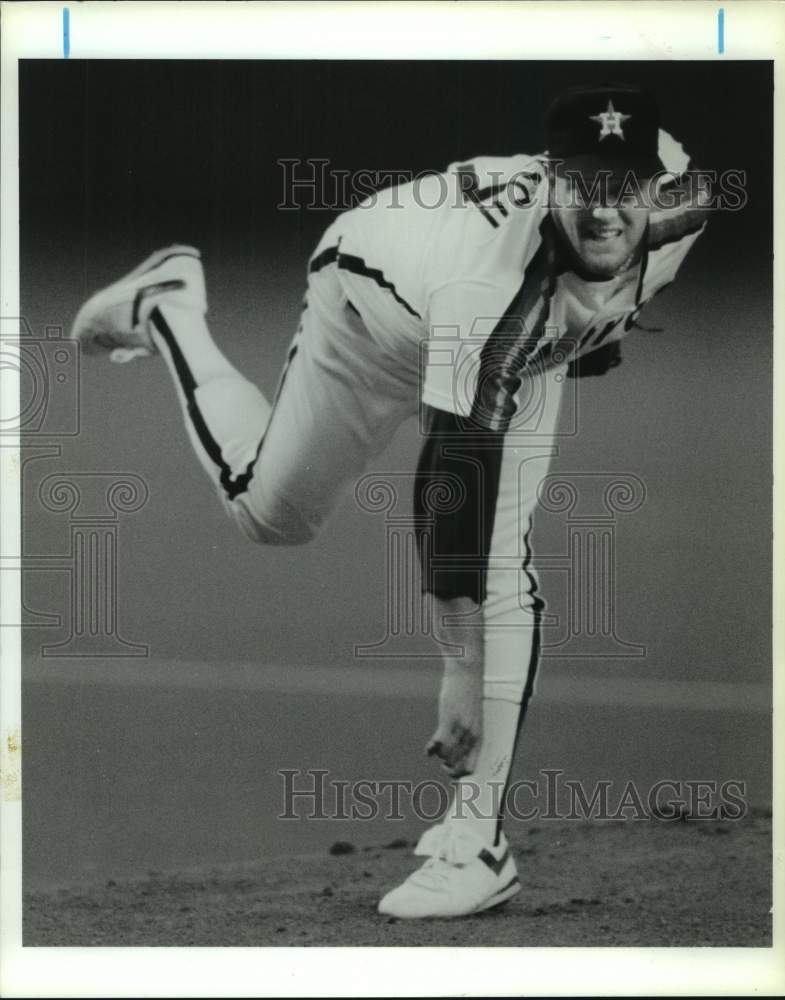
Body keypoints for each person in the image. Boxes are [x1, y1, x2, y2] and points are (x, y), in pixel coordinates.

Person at [72, 84, 709, 919]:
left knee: (503, 564)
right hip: (370, 317)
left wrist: (588, 333)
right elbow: (450, 480)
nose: (602, 208)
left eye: (622, 185)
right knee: (268, 514)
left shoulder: (686, 203)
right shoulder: (483, 285)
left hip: (509, 342)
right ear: (550, 177)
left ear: (655, 182)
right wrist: (459, 666)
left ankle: (475, 842)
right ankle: (167, 307)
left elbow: (603, 291)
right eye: (582, 184)